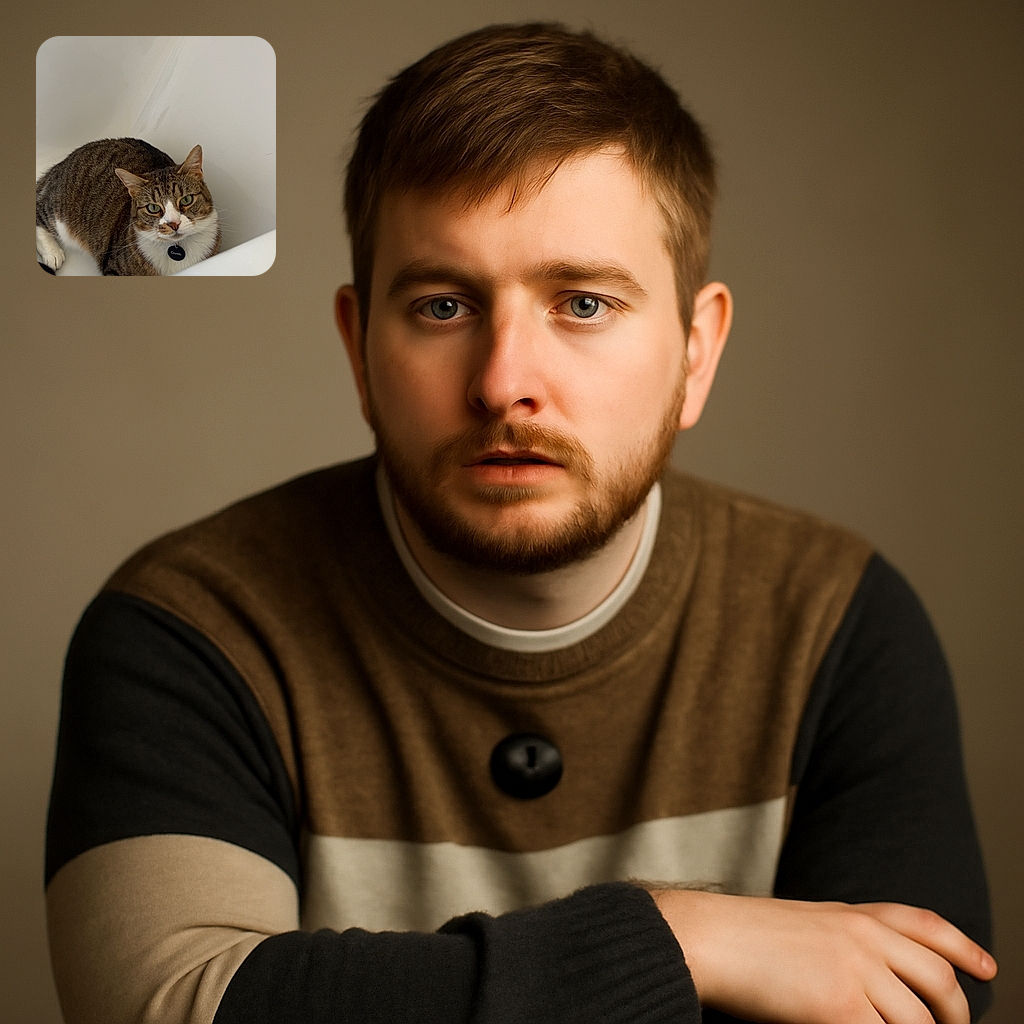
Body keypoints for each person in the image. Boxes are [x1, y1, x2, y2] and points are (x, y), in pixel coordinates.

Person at [46, 22, 996, 1024]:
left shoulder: (837, 624)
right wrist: (681, 942)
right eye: (445, 307)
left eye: (582, 303)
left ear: (696, 350)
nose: (505, 385)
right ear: (359, 348)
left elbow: (916, 1005)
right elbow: (172, 1007)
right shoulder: (189, 630)